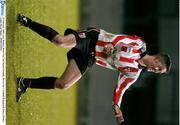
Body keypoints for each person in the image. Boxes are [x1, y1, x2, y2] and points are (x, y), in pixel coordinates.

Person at [16, 14, 171, 124]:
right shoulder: (140, 44)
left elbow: (120, 89)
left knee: (63, 84)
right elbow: (121, 38)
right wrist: (112, 44)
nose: (156, 71)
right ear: (157, 60)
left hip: (89, 58)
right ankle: (26, 21)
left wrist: (117, 106)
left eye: (159, 72)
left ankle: (24, 83)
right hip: (93, 39)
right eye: (159, 68)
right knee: (60, 41)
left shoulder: (133, 73)